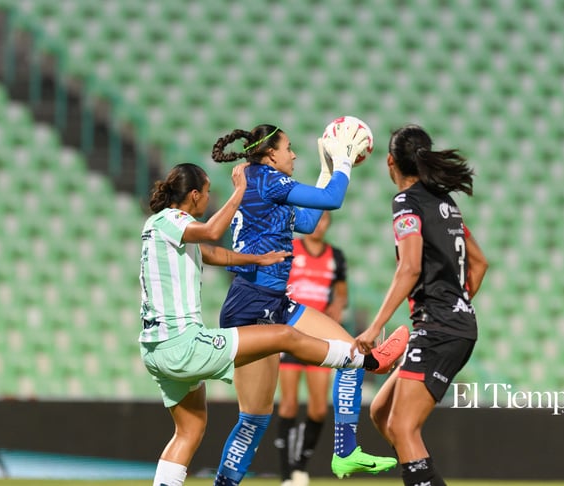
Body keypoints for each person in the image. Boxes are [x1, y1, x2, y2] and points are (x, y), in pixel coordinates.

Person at [139, 162, 406, 486]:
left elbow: (212, 253)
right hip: (183, 344)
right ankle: (366, 359)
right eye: (208, 192)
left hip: (156, 349)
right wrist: (239, 190)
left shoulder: (157, 227)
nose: (209, 198)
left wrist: (255, 259)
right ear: (194, 195)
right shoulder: (174, 220)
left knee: (190, 430)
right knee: (284, 336)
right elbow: (210, 232)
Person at [210, 124, 410, 486]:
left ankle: (346, 451)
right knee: (254, 418)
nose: (294, 154)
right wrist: (344, 163)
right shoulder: (267, 180)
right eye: (288, 148)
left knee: (351, 352)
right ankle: (224, 484)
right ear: (271, 154)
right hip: (250, 307)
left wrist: (324, 172)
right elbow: (332, 201)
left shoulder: (263, 183)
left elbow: (308, 220)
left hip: (274, 303)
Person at [354, 125, 489, 486]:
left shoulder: (407, 202)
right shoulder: (445, 203)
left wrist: (373, 327)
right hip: (450, 324)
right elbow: (479, 263)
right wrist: (456, 306)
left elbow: (410, 266)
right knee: (383, 413)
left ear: (389, 162)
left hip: (439, 327)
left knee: (401, 425)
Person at [275, 211, 348, 486]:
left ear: (329, 224)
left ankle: (300, 464)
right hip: (290, 334)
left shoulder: (336, 256)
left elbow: (341, 293)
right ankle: (286, 475)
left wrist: (337, 307)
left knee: (318, 409)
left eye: (324, 221)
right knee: (289, 404)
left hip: (319, 338)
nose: (319, 226)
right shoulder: (290, 250)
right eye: (315, 221)